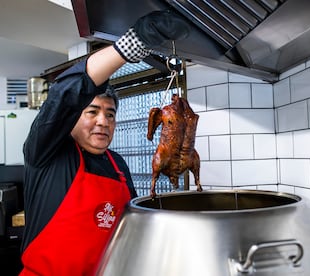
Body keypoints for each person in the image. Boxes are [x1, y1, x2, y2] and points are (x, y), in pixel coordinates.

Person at [20, 10, 190, 276]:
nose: (103, 121)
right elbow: (63, 96)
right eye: (92, 111)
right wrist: (132, 44)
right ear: (73, 116)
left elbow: (133, 226)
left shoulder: (117, 164)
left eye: (110, 114)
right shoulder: (49, 153)